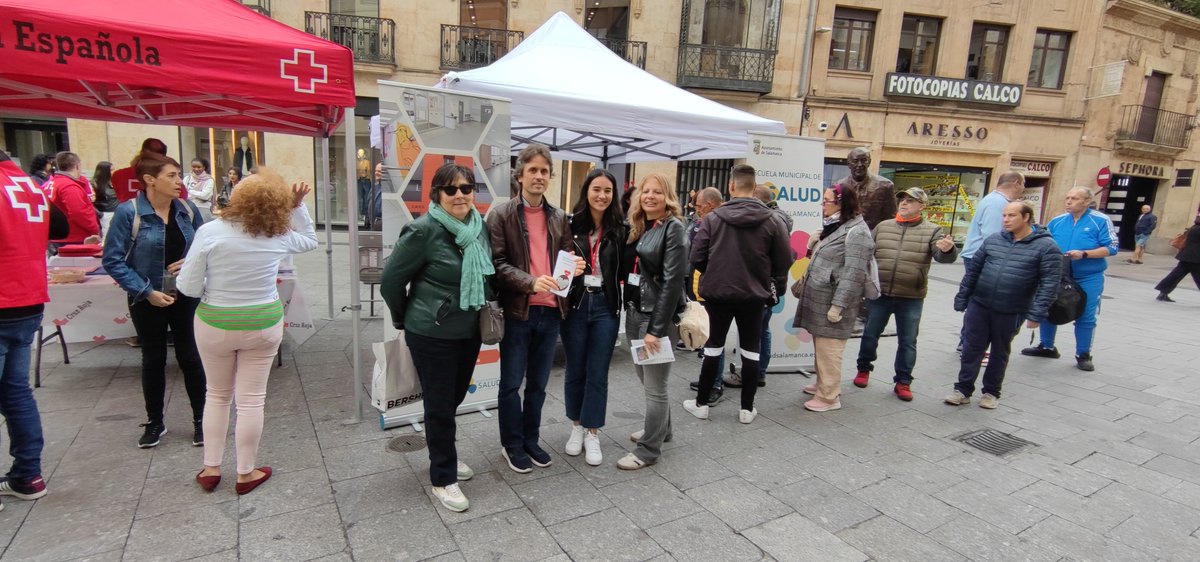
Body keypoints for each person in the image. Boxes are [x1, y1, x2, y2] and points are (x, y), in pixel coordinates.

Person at [179, 169, 316, 495]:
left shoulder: (210, 231)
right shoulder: (278, 234)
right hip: (262, 323)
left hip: (215, 321)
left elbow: (188, 286)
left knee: (217, 394)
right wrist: (298, 207)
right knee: (252, 400)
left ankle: (211, 468)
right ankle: (245, 472)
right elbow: (310, 240)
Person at [381, 163, 493, 512]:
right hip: (432, 333)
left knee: (454, 397)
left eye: (466, 188)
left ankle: (444, 454)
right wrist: (405, 319)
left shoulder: (478, 227)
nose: (460, 194)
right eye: (451, 189)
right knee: (441, 405)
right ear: (437, 194)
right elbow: (391, 282)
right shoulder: (422, 230)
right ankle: (443, 478)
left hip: (468, 329)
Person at [487, 144, 583, 473]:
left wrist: (575, 267)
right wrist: (530, 282)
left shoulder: (559, 217)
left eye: (544, 171)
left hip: (551, 312)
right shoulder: (500, 215)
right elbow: (496, 265)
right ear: (520, 175)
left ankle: (531, 439)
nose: (539, 176)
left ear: (550, 176)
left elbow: (565, 260)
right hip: (518, 313)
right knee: (511, 384)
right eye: (533, 170)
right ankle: (511, 444)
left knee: (539, 386)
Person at [102, 151, 207, 448]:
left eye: (178, 175)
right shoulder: (129, 212)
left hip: (185, 293)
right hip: (146, 296)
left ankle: (201, 420)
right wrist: (146, 291)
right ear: (150, 180)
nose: (179, 182)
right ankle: (155, 421)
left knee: (190, 356)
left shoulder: (186, 209)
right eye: (171, 176)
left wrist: (189, 262)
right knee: (153, 358)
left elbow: (204, 247)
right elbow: (113, 260)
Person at [684, 164, 791, 424]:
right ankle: (746, 409)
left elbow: (696, 258)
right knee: (750, 352)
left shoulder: (712, 219)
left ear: (731, 187)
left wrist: (717, 271)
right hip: (754, 296)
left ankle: (701, 404)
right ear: (754, 188)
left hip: (718, 294)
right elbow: (783, 261)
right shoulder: (773, 220)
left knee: (713, 348)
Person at [0, 149, 69, 507]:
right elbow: (60, 227)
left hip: (4, 294)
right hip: (27, 297)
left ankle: (26, 474)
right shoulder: (27, 183)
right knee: (16, 392)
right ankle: (27, 474)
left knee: (15, 392)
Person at [948, 202, 1061, 409]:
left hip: (1011, 308)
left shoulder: (1047, 247)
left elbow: (1050, 284)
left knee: (999, 352)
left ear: (1026, 217)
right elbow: (973, 271)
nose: (1006, 220)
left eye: (1011, 215)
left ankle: (991, 392)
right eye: (1004, 215)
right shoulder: (994, 240)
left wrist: (1036, 314)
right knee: (972, 349)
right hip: (980, 304)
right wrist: (962, 297)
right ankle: (962, 389)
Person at [853, 188, 958, 401]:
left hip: (911, 296)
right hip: (880, 294)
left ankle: (903, 381)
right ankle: (863, 369)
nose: (904, 203)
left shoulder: (933, 230)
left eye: (911, 201)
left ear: (922, 206)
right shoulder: (883, 227)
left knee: (908, 340)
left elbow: (942, 257)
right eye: (902, 200)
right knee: (870, 334)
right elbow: (867, 254)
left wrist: (948, 250)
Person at [617, 173, 688, 470]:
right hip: (634, 313)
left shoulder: (673, 228)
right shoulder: (638, 225)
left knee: (655, 387)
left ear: (667, 196)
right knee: (646, 378)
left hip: (654, 319)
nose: (649, 196)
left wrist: (656, 330)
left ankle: (648, 451)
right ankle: (663, 430)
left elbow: (672, 283)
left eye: (657, 192)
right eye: (645, 191)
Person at [561, 168, 625, 467]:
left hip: (605, 308)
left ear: (613, 196)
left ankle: (593, 431)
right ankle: (576, 425)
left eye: (608, 191)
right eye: (596, 189)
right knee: (575, 369)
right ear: (586, 191)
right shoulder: (568, 226)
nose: (602, 195)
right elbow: (555, 264)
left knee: (598, 371)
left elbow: (630, 268)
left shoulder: (620, 230)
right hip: (575, 305)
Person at [794, 184, 873, 412]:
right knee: (822, 345)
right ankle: (823, 384)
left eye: (826, 201)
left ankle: (829, 397)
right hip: (820, 298)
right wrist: (812, 246)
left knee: (830, 349)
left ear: (841, 203)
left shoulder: (857, 231)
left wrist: (838, 306)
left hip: (833, 302)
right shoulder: (836, 225)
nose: (822, 205)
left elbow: (854, 274)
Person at [1021, 187, 1117, 372]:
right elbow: (1043, 240)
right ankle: (1046, 346)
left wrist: (1085, 254)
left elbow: (1112, 247)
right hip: (1059, 273)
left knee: (1087, 315)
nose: (1069, 201)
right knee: (1050, 308)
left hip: (1089, 276)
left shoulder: (1100, 220)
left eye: (1074, 198)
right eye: (1067, 197)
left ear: (1087, 202)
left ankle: (1083, 354)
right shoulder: (1057, 221)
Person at [959, 171, 1026, 352]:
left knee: (978, 300)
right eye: (1023, 184)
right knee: (981, 301)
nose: (1023, 188)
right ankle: (968, 342)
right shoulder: (998, 203)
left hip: (978, 255)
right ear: (1015, 182)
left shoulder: (993, 200)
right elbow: (992, 234)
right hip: (982, 258)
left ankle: (967, 341)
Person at [684, 187, 725, 398]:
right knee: (708, 338)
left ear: (710, 205)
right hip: (700, 285)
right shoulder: (705, 221)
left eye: (699, 206)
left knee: (715, 339)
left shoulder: (720, 222)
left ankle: (714, 384)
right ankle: (708, 379)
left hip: (713, 288)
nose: (696, 210)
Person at [46, 152, 100, 247]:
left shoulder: (51, 184)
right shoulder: (69, 186)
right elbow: (79, 212)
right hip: (74, 238)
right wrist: (95, 230)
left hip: (56, 236)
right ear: (77, 166)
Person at [835, 147, 896, 231]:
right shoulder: (840, 185)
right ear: (849, 164)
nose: (859, 165)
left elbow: (891, 218)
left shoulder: (885, 185)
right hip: (846, 236)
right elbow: (836, 214)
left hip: (874, 237)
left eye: (864, 160)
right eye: (855, 161)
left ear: (869, 162)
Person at [1154, 213, 1200, 301]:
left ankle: (1163, 293)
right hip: (1196, 258)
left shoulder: (1193, 228)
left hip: (1186, 256)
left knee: (1175, 275)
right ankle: (1163, 293)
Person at [112, 138, 174, 203]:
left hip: (129, 212)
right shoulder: (171, 178)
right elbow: (182, 198)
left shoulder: (119, 175)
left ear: (141, 153)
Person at [92, 161, 119, 234]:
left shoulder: (115, 181)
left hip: (117, 212)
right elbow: (90, 201)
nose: (113, 172)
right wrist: (101, 215)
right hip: (105, 213)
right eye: (111, 170)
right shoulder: (96, 183)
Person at [365, 163, 386, 231]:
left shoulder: (389, 188)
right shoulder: (374, 186)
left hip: (383, 226)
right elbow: (369, 202)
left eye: (379, 171)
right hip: (373, 225)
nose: (376, 173)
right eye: (376, 171)